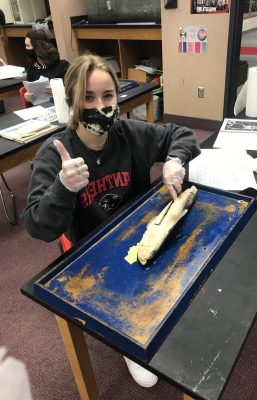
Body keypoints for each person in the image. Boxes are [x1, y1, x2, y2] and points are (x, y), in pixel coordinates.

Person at [22, 53, 200, 387]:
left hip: (137, 231)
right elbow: (38, 226)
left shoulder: (128, 133)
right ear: (72, 101)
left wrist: (175, 160)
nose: (100, 106)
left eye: (107, 96)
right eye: (87, 97)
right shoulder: (55, 153)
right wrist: (63, 187)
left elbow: (182, 134)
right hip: (94, 252)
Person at [23, 29, 69, 103]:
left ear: (38, 47)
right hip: (40, 107)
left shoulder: (63, 66)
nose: (26, 48)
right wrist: (27, 96)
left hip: (61, 104)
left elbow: (74, 88)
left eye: (28, 46)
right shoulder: (32, 69)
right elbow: (29, 90)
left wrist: (60, 89)